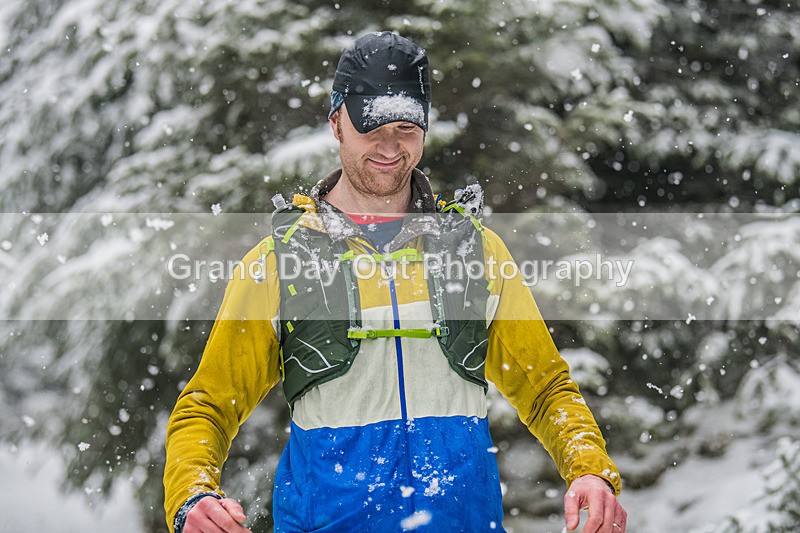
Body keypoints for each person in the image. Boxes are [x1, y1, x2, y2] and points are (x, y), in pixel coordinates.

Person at [164, 31, 627, 533]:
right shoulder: (280, 261)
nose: (390, 145)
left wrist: (589, 469)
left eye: (406, 126)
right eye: (372, 126)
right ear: (336, 123)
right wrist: (192, 494)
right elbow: (208, 405)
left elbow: (546, 388)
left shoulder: (474, 252)